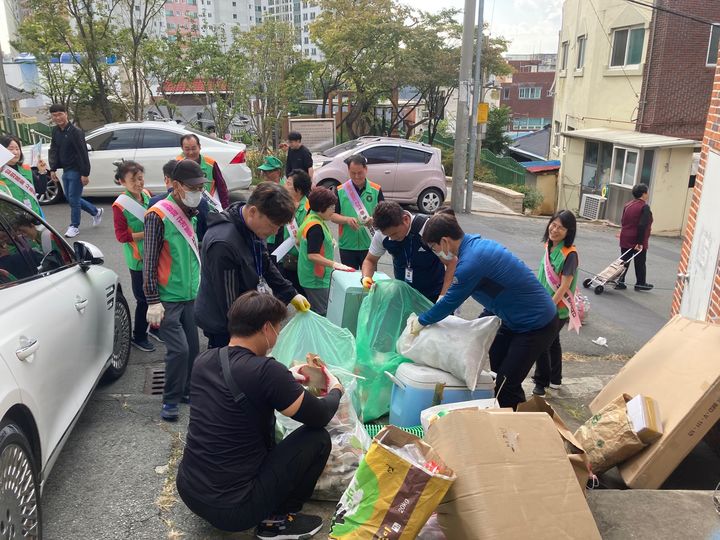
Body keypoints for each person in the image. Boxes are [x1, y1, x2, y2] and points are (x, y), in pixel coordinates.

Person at [176, 291, 340, 538]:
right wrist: (336, 389)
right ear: (267, 328)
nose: (278, 333)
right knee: (317, 438)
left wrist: (285, 375)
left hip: (190, 490)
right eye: (278, 327)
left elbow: (246, 379)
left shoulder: (204, 360)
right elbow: (320, 415)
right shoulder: (267, 371)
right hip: (236, 509)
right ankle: (278, 522)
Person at [411, 209, 559, 410]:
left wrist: (419, 322)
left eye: (434, 247)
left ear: (445, 241)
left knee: (506, 383)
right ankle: (509, 413)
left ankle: (524, 426)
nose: (436, 252)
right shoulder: (474, 246)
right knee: (498, 370)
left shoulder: (471, 262)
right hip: (512, 319)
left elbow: (448, 305)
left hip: (536, 324)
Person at [194, 182, 311, 349]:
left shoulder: (248, 223)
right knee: (227, 366)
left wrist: (290, 293)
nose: (275, 232)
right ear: (253, 212)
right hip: (224, 323)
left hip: (243, 307)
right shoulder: (223, 245)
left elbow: (264, 262)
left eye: (279, 227)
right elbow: (230, 304)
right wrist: (250, 333)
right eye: (272, 226)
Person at [144, 159, 204, 421]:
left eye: (201, 187)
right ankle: (169, 401)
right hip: (167, 299)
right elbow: (149, 261)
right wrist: (152, 300)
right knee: (178, 350)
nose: (198, 192)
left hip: (190, 295)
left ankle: (186, 391)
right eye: (193, 188)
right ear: (177, 186)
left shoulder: (192, 212)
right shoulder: (158, 215)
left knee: (192, 349)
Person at [361, 201, 454, 302]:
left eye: (394, 233)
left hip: (434, 294)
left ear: (405, 219)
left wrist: (443, 297)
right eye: (388, 235)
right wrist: (366, 277)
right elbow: (370, 260)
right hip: (404, 296)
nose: (391, 238)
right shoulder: (382, 234)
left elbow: (452, 262)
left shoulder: (427, 228)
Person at [531, 210, 580, 397]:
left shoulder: (570, 254)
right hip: (543, 304)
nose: (555, 229)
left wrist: (549, 306)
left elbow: (565, 285)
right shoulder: (549, 246)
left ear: (569, 231)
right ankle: (555, 379)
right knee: (552, 342)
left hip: (556, 308)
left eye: (561, 227)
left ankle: (541, 383)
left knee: (542, 343)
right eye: (553, 224)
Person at [112, 160, 155, 353]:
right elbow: (121, 236)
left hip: (155, 255)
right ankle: (139, 336)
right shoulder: (119, 206)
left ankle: (155, 328)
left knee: (156, 294)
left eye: (140, 178)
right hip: (137, 259)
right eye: (133, 180)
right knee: (143, 299)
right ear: (122, 182)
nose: (139, 183)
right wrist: (147, 233)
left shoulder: (147, 195)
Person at [47, 103, 103, 238]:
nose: (57, 118)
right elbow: (54, 149)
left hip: (76, 170)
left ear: (66, 114)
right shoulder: (55, 131)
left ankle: (74, 226)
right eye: (54, 115)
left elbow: (82, 153)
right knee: (71, 197)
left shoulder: (75, 132)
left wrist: (85, 173)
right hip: (65, 169)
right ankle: (95, 211)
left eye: (60, 114)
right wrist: (53, 168)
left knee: (72, 199)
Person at [298, 187, 355, 316]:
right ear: (321, 208)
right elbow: (312, 255)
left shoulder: (312, 218)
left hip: (310, 276)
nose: (333, 210)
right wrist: (335, 264)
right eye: (331, 207)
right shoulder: (316, 227)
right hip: (316, 279)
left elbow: (299, 241)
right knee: (323, 313)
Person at [330, 154, 384, 269]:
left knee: (369, 281)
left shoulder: (376, 190)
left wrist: (373, 221)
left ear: (366, 169)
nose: (357, 176)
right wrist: (346, 220)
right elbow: (332, 216)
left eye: (360, 173)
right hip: (347, 245)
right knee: (349, 281)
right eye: (353, 173)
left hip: (370, 244)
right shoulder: (340, 191)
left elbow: (384, 216)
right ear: (348, 170)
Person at [267, 169, 312, 293]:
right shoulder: (280, 202)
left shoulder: (309, 209)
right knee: (279, 292)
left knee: (299, 293)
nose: (284, 186)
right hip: (279, 255)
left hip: (296, 260)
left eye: (288, 184)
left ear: (298, 190)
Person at [178, 133, 229, 210]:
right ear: (182, 148)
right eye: (187, 149)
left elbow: (221, 187)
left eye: (194, 148)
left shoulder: (211, 163)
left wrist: (226, 208)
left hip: (210, 209)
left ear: (199, 147)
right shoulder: (178, 164)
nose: (191, 152)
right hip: (187, 210)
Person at [0, 135, 48, 218]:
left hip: (34, 215)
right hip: (13, 221)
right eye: (11, 149)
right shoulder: (1, 172)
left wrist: (42, 172)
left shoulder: (26, 169)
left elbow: (41, 190)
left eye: (17, 148)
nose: (15, 152)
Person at [617, 183, 654, 292]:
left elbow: (623, 220)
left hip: (625, 236)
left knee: (624, 260)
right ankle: (640, 283)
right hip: (637, 238)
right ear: (643, 194)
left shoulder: (628, 205)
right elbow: (642, 225)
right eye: (647, 191)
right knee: (640, 261)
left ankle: (620, 281)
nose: (648, 194)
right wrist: (640, 242)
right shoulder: (644, 207)